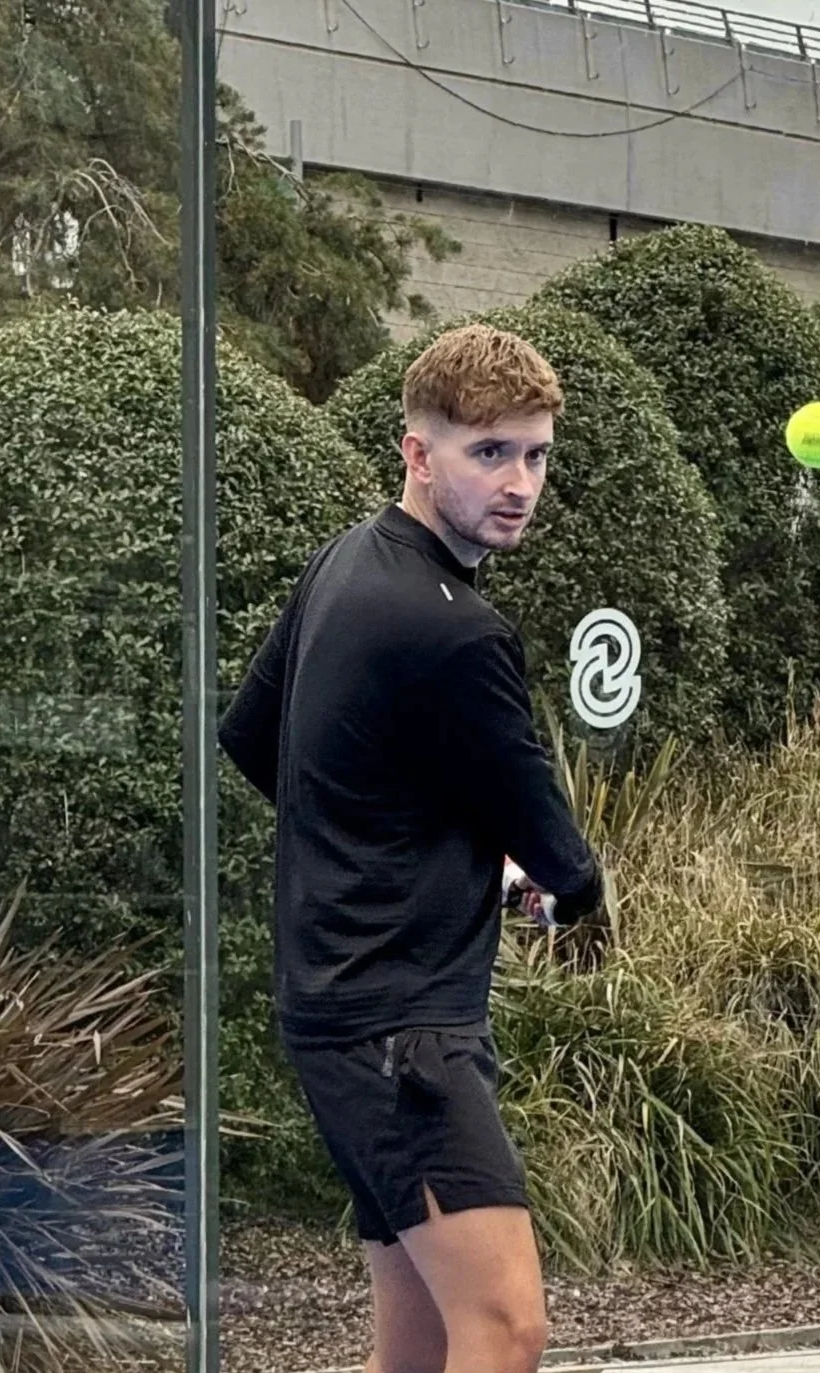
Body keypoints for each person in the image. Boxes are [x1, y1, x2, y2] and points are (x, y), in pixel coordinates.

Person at [218, 322, 603, 1373]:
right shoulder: (457, 630)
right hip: (402, 1035)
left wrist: (388, 836)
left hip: (342, 1013)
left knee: (422, 1341)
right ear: (417, 452)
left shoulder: (346, 561)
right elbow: (561, 857)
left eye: (535, 454)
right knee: (505, 1326)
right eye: (489, 452)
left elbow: (252, 739)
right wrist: (552, 886)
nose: (518, 483)